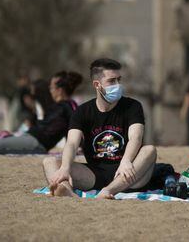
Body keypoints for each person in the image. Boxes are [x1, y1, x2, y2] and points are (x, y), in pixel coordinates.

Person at [43, 58, 157, 199]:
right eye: (111, 81)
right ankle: (67, 192)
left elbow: (136, 137)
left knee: (149, 150)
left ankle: (108, 191)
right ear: (97, 85)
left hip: (128, 173)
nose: (117, 85)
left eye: (118, 80)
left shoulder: (133, 106)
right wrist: (65, 168)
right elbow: (72, 143)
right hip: (94, 174)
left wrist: (126, 161)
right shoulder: (82, 111)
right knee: (49, 162)